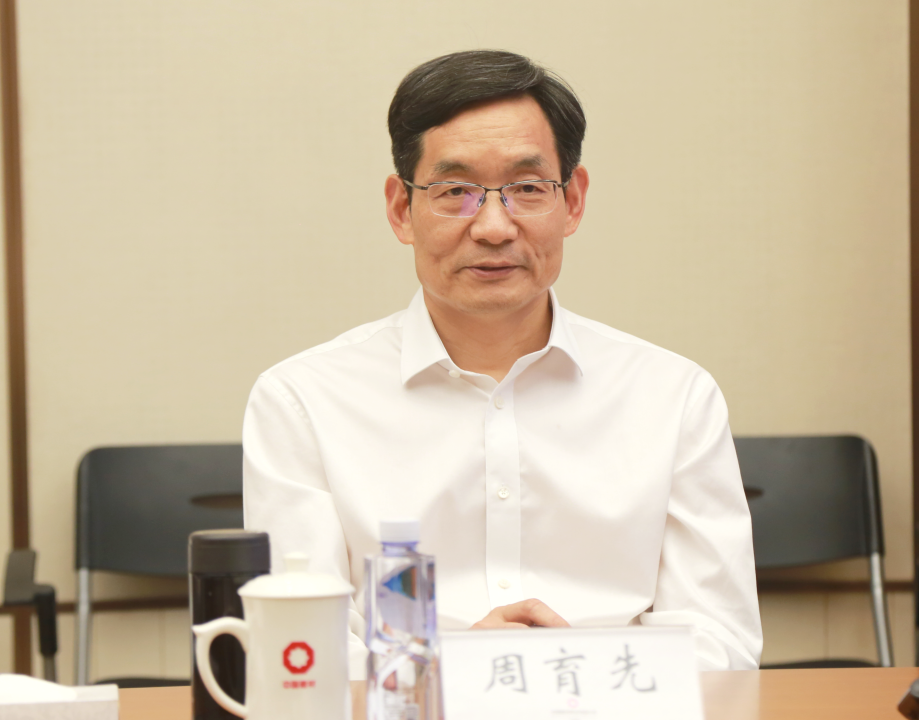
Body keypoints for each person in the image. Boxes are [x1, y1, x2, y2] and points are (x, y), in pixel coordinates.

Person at [243, 50, 762, 677]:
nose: (493, 227)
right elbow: (300, 654)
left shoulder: (673, 396)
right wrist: (459, 671)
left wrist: (570, 671)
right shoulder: (301, 401)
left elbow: (723, 643)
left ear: (573, 201)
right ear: (402, 209)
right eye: (455, 192)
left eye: (526, 189)